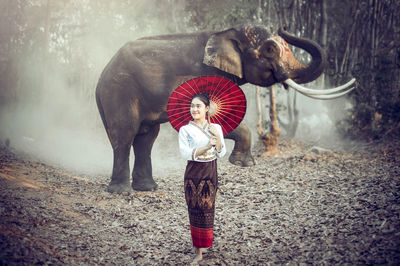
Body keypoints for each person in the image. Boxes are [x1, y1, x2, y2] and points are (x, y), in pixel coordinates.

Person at [178, 93, 226, 263]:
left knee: (208, 209)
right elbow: (186, 153)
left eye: (198, 106)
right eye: (192, 106)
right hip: (193, 173)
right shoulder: (185, 130)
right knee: (195, 209)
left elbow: (221, 152)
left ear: (207, 108)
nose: (194, 109)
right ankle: (198, 251)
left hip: (211, 172)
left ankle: (205, 243)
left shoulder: (216, 127)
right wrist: (207, 146)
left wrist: (217, 137)